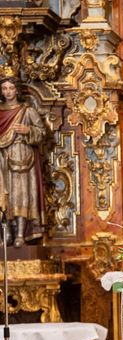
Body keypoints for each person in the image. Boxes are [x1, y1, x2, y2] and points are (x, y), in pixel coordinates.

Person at [0, 77, 46, 247]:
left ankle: (20, 233)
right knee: (4, 195)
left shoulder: (27, 111)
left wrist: (28, 130)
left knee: (20, 194)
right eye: (4, 88)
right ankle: (6, 234)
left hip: (21, 156)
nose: (7, 92)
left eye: (11, 88)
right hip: (2, 158)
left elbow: (41, 133)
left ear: (17, 90)